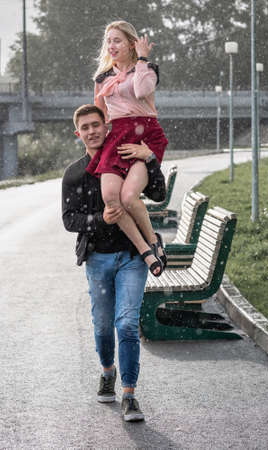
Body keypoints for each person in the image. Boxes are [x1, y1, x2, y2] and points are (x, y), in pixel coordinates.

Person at [62, 104, 166, 422]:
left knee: (127, 325)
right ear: (78, 133)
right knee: (104, 327)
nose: (92, 131)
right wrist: (99, 219)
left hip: (133, 258)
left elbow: (159, 193)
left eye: (97, 124)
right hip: (97, 259)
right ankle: (108, 371)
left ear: (107, 126)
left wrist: (149, 157)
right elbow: (69, 220)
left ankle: (130, 395)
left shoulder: (127, 156)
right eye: (86, 127)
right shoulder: (74, 173)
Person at [86, 20, 168, 277]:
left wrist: (143, 59)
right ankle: (144, 249)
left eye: (117, 40)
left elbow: (142, 90)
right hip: (118, 135)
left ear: (131, 44)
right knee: (111, 197)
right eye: (109, 41)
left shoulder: (146, 70)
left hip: (145, 136)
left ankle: (154, 242)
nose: (111, 45)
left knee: (129, 197)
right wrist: (92, 139)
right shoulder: (103, 78)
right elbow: (101, 114)